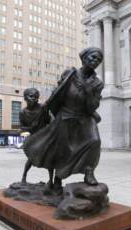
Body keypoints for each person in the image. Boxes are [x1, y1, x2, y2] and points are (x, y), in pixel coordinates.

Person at [23, 47, 104, 195]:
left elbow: (93, 105)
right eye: (93, 57)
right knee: (62, 149)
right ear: (84, 58)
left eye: (99, 60)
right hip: (65, 116)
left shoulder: (97, 83)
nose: (96, 61)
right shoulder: (70, 73)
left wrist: (87, 91)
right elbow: (58, 91)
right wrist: (48, 109)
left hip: (85, 116)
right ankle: (58, 179)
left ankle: (89, 171)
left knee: (94, 141)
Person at [19, 88, 51, 184]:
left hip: (45, 136)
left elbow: (50, 120)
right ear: (25, 98)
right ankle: (24, 176)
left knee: (50, 157)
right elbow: (21, 129)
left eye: (36, 97)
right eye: (31, 96)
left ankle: (52, 180)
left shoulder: (43, 108)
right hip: (33, 137)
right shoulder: (23, 113)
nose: (35, 99)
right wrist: (29, 128)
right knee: (31, 158)